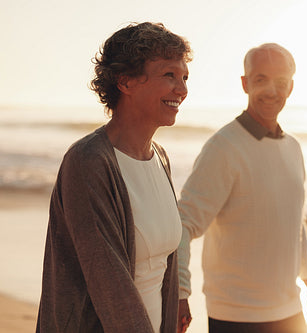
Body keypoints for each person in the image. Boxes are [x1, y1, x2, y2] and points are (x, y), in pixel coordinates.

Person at [36, 22, 192, 333]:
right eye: (169, 75)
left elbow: (162, 267)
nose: (182, 89)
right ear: (125, 81)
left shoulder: (159, 157)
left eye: (185, 77)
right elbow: (108, 281)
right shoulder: (88, 162)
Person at [177, 43, 307, 333]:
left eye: (281, 82)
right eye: (261, 79)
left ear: (291, 88)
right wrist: (181, 294)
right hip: (236, 317)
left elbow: (296, 225)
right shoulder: (223, 148)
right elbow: (183, 224)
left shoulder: (293, 148)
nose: (271, 90)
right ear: (245, 83)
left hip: (290, 312)